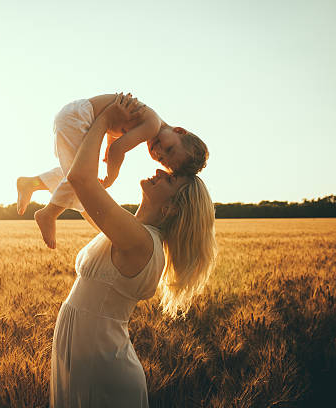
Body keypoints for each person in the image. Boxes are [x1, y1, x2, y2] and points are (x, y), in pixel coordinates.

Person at [49, 93, 217, 407]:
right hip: (87, 359)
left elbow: (83, 179)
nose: (159, 171)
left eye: (170, 179)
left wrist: (104, 120)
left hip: (102, 368)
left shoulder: (139, 240)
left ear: (171, 210)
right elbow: (77, 190)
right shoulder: (131, 230)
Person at [16, 93, 209, 249]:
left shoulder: (150, 119)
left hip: (75, 115)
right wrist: (112, 175)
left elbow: (115, 131)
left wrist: (108, 147)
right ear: (180, 131)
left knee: (75, 172)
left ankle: (31, 183)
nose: (158, 152)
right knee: (82, 177)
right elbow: (119, 149)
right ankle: (49, 213)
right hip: (79, 119)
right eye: (169, 149)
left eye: (161, 159)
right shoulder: (152, 126)